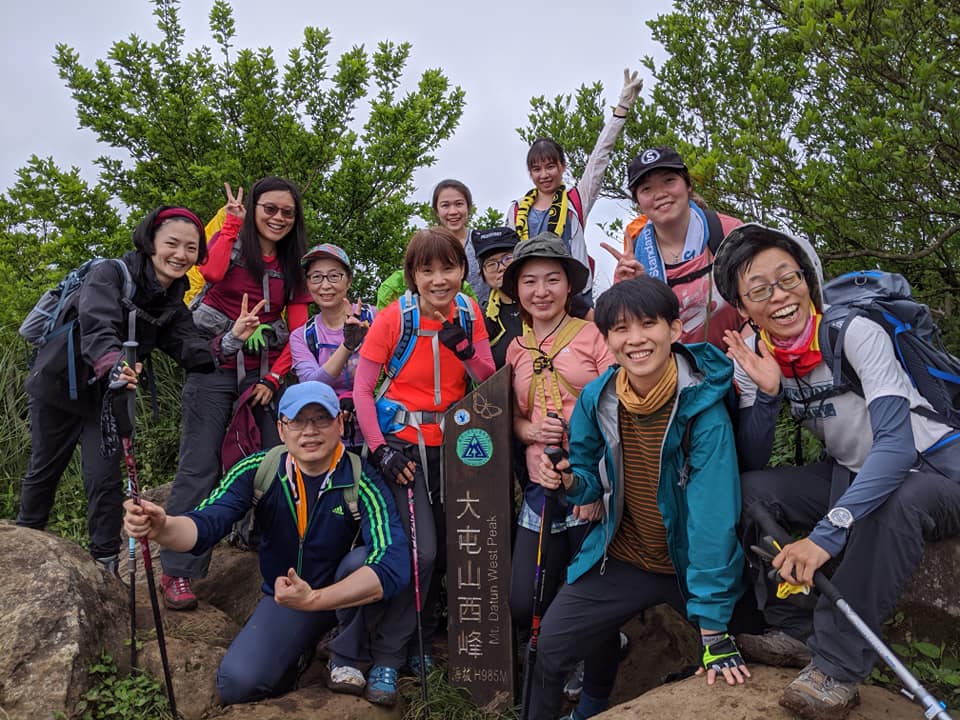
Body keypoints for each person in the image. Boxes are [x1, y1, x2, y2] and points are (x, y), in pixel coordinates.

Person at [713, 223, 960, 720]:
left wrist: (829, 532)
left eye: (788, 278)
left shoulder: (853, 332)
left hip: (935, 470)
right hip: (852, 471)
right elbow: (753, 458)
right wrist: (768, 394)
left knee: (893, 501)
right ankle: (796, 631)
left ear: (808, 279)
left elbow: (896, 447)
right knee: (748, 491)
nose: (779, 296)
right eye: (759, 290)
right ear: (742, 307)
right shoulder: (754, 353)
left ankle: (837, 668)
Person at [532, 276, 750, 720]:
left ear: (674, 329)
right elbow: (589, 481)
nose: (635, 339)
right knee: (550, 647)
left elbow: (712, 518)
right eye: (620, 329)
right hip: (623, 558)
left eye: (648, 324)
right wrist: (568, 480)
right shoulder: (598, 398)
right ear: (607, 339)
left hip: (688, 563)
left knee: (751, 643)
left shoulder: (703, 410)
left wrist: (713, 628)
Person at [123, 381, 409, 705]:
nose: (310, 431)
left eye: (321, 418)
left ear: (340, 424)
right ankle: (301, 655)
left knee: (360, 561)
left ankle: (346, 652)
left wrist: (315, 598)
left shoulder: (361, 478)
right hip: (288, 597)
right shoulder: (260, 470)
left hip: (346, 596)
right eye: (297, 421)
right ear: (281, 429)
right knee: (237, 684)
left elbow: (392, 562)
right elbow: (207, 523)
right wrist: (162, 527)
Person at [15, 206, 250, 573]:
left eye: (191, 248)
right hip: (60, 383)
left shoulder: (172, 299)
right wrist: (114, 364)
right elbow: (98, 325)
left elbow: (189, 348)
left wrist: (231, 339)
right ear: (150, 242)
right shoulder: (110, 274)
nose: (181, 254)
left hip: (108, 393)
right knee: (44, 470)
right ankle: (23, 551)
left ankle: (105, 565)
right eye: (172, 243)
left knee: (104, 479)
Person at [354, 227, 495, 705]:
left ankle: (421, 641)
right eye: (426, 269)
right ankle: (388, 657)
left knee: (448, 549)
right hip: (403, 448)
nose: (438, 279)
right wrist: (380, 450)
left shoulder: (469, 312)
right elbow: (362, 390)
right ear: (412, 275)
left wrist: (465, 349)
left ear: (462, 270)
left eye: (448, 268)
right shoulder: (394, 318)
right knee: (422, 552)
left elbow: (487, 380)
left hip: (452, 446)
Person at [160, 178, 311, 610]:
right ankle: (179, 570)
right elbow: (209, 272)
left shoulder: (294, 265)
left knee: (275, 460)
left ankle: (273, 555)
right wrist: (230, 224)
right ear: (255, 209)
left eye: (287, 212)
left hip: (263, 372)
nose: (278, 218)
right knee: (200, 464)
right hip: (213, 362)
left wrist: (274, 379)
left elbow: (298, 333)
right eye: (270, 209)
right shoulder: (233, 243)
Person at [501, 233, 614, 657]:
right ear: (517, 291)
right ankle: (552, 657)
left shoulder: (595, 337)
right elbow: (510, 418)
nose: (541, 291)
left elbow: (617, 405)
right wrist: (530, 432)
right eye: (529, 281)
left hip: (591, 482)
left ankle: (594, 659)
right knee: (524, 597)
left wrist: (597, 486)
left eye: (552, 279)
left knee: (586, 587)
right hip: (540, 483)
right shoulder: (515, 350)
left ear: (569, 285)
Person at [506, 68, 643, 314]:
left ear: (562, 166)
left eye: (550, 166)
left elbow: (600, 156)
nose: (544, 174)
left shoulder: (576, 200)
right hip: (533, 299)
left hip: (576, 298)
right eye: (536, 169)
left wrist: (622, 108)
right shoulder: (516, 210)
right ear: (530, 173)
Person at [601, 146, 743, 347]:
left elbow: (761, 299)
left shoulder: (727, 232)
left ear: (688, 185)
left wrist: (739, 358)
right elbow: (628, 333)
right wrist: (634, 290)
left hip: (738, 359)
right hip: (672, 364)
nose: (660, 194)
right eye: (647, 189)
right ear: (638, 202)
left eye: (669, 181)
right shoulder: (634, 259)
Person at [289, 242, 375, 452]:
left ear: (349, 280)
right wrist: (347, 345)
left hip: (380, 433)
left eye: (334, 276)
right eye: (316, 277)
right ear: (307, 283)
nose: (325, 285)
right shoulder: (303, 336)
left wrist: (355, 397)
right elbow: (311, 385)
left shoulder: (375, 318)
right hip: (328, 441)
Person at [376, 179, 483, 308]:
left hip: (479, 315)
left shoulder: (483, 242)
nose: (453, 211)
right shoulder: (424, 246)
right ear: (436, 211)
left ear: (468, 207)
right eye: (445, 205)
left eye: (459, 204)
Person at [473, 226, 521, 368]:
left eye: (507, 258)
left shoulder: (546, 301)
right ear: (482, 274)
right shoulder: (484, 319)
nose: (501, 268)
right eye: (491, 264)